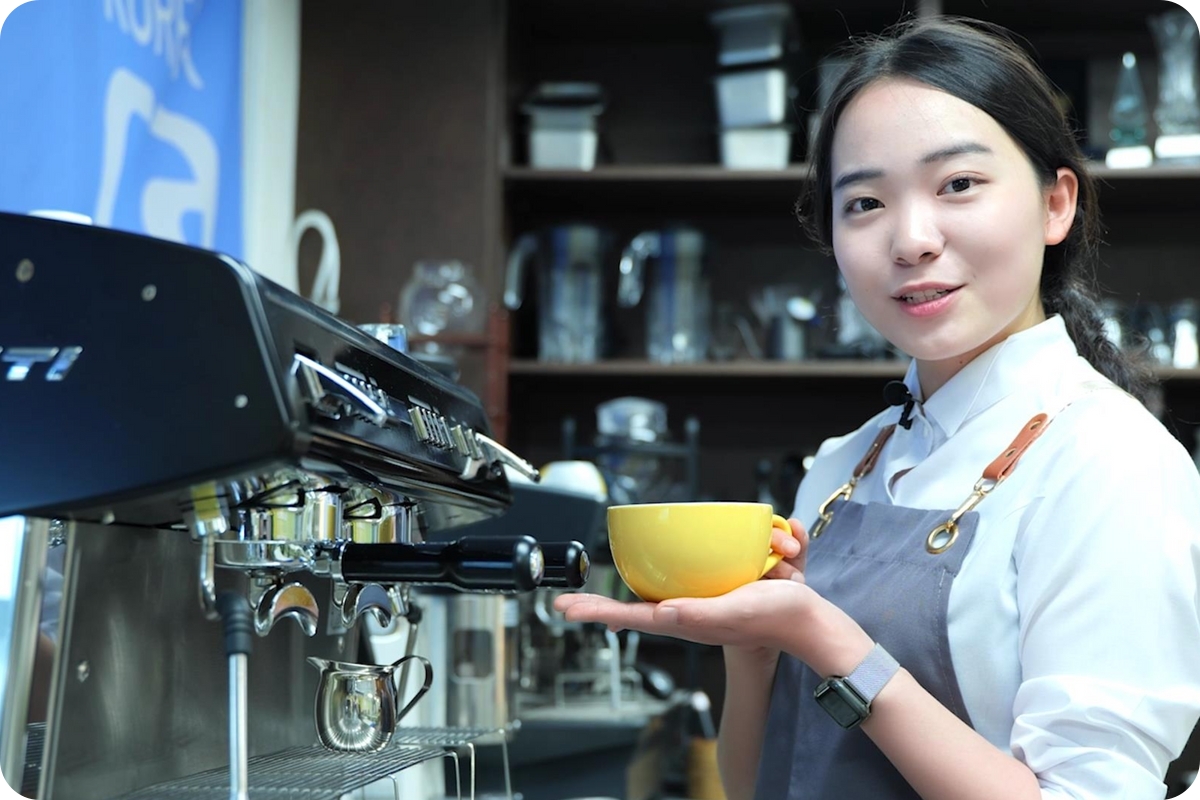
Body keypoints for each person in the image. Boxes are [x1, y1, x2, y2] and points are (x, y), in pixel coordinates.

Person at [554, 15, 1200, 800]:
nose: (911, 240)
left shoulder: (1113, 465)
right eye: (864, 202)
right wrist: (752, 649)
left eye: (958, 184)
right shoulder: (840, 464)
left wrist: (829, 641)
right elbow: (763, 781)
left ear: (1055, 203)